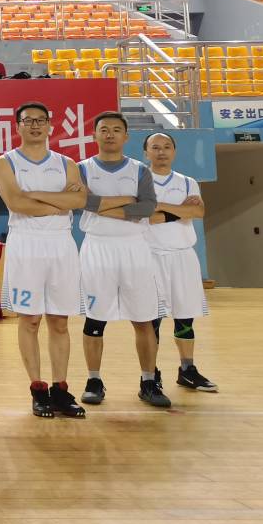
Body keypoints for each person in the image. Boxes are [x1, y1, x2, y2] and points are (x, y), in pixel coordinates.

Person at [0, 102, 88, 419]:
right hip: (25, 244)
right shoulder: (5, 162)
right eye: (28, 120)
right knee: (30, 320)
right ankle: (37, 388)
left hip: (61, 243)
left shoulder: (66, 163)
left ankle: (60, 389)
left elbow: (79, 200)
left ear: (50, 125)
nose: (35, 125)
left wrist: (34, 196)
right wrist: (60, 201)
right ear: (17, 126)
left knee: (59, 321)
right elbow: (17, 203)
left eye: (41, 120)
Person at [77, 112, 169, 408]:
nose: (110, 134)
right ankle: (94, 380)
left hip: (134, 248)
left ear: (126, 136)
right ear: (94, 134)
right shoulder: (82, 169)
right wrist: (126, 202)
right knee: (95, 318)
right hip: (97, 247)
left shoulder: (139, 170)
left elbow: (148, 207)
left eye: (117, 129)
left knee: (144, 319)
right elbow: (81, 202)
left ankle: (148, 381)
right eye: (104, 129)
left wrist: (102, 206)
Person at [143, 132, 216, 392]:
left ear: (174, 151)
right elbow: (144, 216)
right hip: (150, 256)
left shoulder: (187, 182)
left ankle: (187, 370)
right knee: (151, 319)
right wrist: (179, 210)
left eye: (166, 147)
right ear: (146, 152)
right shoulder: (139, 181)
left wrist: (159, 205)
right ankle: (150, 374)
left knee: (185, 316)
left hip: (183, 256)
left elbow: (197, 211)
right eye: (155, 147)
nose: (161, 151)